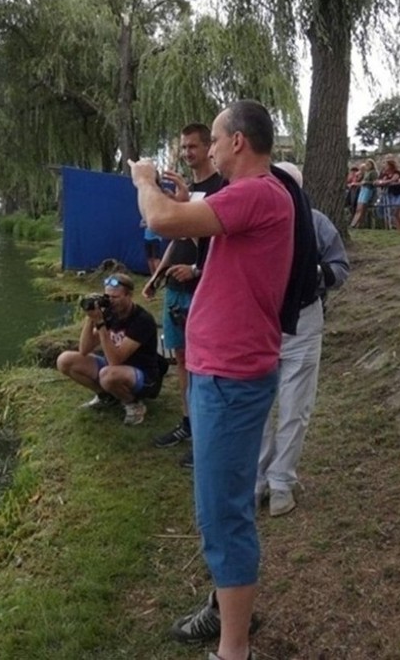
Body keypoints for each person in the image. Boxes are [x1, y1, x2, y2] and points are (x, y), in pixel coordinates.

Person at [130, 100, 300, 660]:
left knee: (223, 516)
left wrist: (144, 180)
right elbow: (200, 222)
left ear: (237, 143)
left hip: (230, 378)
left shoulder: (257, 193)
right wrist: (185, 199)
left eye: (218, 139)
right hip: (219, 374)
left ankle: (234, 650)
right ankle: (228, 614)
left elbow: (160, 221)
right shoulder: (251, 196)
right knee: (219, 508)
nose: (212, 149)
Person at [256, 162, 349, 517]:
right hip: (261, 321)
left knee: (296, 406)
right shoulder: (257, 222)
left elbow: (340, 267)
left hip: (304, 320)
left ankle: (281, 481)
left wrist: (315, 274)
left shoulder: (317, 223)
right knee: (258, 404)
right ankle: (255, 481)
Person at [143, 122, 224, 465]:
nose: (187, 152)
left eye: (193, 146)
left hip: (203, 290)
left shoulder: (221, 189)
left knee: (204, 364)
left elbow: (220, 246)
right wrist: (157, 275)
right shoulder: (187, 191)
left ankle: (207, 435)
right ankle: (188, 423)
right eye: (184, 147)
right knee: (181, 359)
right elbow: (178, 238)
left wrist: (195, 269)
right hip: (175, 290)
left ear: (208, 147)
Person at [55, 273, 162, 426]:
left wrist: (100, 324)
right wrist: (90, 318)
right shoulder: (110, 313)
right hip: (113, 368)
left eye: (115, 297)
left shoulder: (142, 320)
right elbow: (84, 349)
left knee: (108, 375)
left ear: (129, 295)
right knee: (65, 360)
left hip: (142, 375)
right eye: (107, 296)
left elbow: (115, 361)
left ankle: (132, 403)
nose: (111, 301)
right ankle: (106, 396)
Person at [349, 158, 378, 228]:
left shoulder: (373, 172)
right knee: (358, 208)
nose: (367, 166)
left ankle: (355, 224)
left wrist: (366, 182)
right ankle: (355, 224)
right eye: (367, 164)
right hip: (363, 189)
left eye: (369, 164)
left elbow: (374, 183)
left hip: (368, 189)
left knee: (362, 208)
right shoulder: (366, 173)